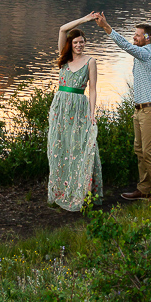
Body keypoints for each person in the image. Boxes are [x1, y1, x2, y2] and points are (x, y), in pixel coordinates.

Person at [95, 12, 151, 201]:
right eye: (134, 34)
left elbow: (125, 45)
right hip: (140, 110)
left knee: (149, 151)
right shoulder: (141, 55)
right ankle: (144, 188)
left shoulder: (147, 53)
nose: (134, 37)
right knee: (140, 151)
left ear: (147, 38)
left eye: (138, 35)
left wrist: (107, 28)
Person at [47, 13, 103, 211]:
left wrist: (92, 113)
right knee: (59, 147)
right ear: (71, 44)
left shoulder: (90, 62)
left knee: (80, 148)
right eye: (76, 42)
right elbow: (62, 29)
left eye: (82, 42)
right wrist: (86, 19)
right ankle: (61, 190)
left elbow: (93, 89)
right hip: (60, 106)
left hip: (79, 107)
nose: (79, 45)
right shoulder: (64, 58)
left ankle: (80, 191)